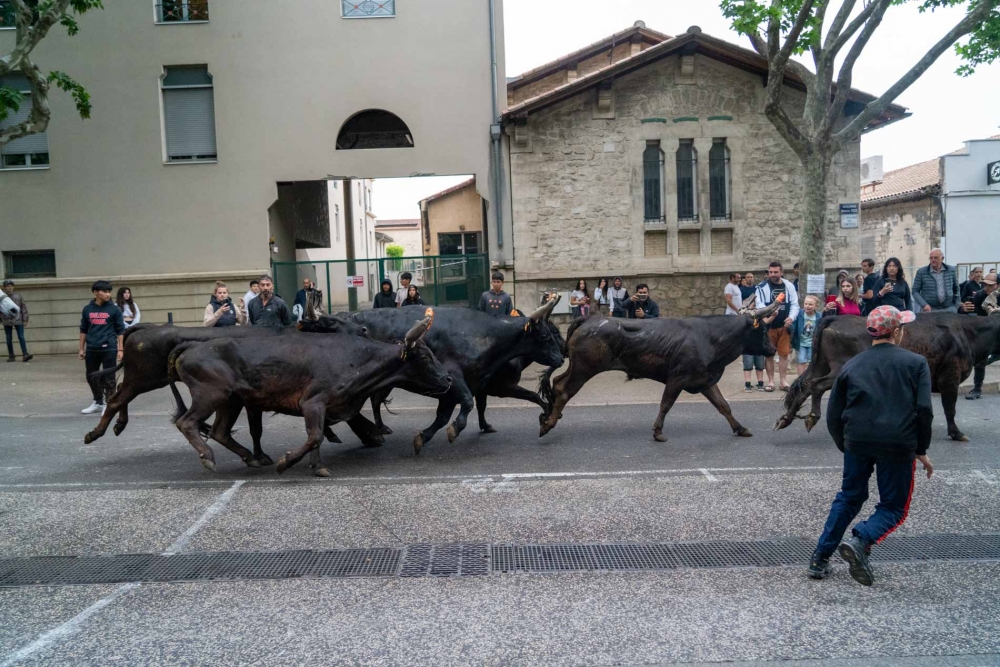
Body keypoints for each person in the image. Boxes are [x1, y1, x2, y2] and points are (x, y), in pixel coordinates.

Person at [808, 305, 933, 586]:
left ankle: (819, 558)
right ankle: (861, 539)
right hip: (898, 442)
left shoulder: (852, 364)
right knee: (894, 507)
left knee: (849, 497)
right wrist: (921, 449)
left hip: (857, 440)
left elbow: (834, 413)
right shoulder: (916, 363)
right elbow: (924, 409)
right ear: (897, 332)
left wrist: (846, 445)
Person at [79, 280, 126, 415]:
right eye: (105, 291)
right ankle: (98, 402)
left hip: (109, 348)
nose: (108, 294)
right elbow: (83, 329)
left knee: (109, 377)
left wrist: (121, 349)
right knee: (91, 376)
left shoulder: (114, 309)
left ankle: (109, 403)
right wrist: (81, 349)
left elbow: (120, 330)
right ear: (95, 292)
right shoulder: (87, 309)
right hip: (92, 348)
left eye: (109, 292)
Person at [755, 262, 799, 392]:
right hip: (769, 326)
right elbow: (760, 305)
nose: (772, 275)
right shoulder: (761, 287)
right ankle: (771, 381)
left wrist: (791, 318)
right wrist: (770, 314)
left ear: (781, 272)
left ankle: (783, 381)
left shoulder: (789, 286)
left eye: (775, 272)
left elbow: (794, 304)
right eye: (770, 272)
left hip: (784, 326)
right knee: (769, 354)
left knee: (784, 354)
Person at [966, 272, 999, 400]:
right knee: (980, 361)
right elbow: (974, 312)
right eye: (985, 284)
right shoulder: (980, 295)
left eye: (990, 285)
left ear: (998, 285)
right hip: (986, 332)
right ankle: (977, 388)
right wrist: (963, 309)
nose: (987, 287)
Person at [911, 248, 959, 313]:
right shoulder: (921, 272)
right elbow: (915, 291)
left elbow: (957, 289)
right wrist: (924, 305)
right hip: (930, 310)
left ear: (942, 258)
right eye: (931, 258)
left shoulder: (951, 270)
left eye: (936, 258)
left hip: (949, 309)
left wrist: (956, 305)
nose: (933, 260)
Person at [2, 279, 32, 362]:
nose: (10, 288)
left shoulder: (18, 296)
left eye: (11, 286)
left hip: (18, 320)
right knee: (8, 338)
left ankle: (25, 354)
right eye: (8, 286)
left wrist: (25, 319)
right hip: (7, 320)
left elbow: (23, 308)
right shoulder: (2, 298)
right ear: (5, 288)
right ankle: (11, 355)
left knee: (21, 336)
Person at [792, 295, 821, 375]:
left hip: (812, 343)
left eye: (810, 304)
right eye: (806, 304)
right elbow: (793, 326)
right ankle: (800, 379)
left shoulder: (819, 316)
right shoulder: (799, 314)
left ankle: (809, 379)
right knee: (801, 360)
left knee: (812, 361)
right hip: (801, 343)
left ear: (816, 306)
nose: (807, 306)